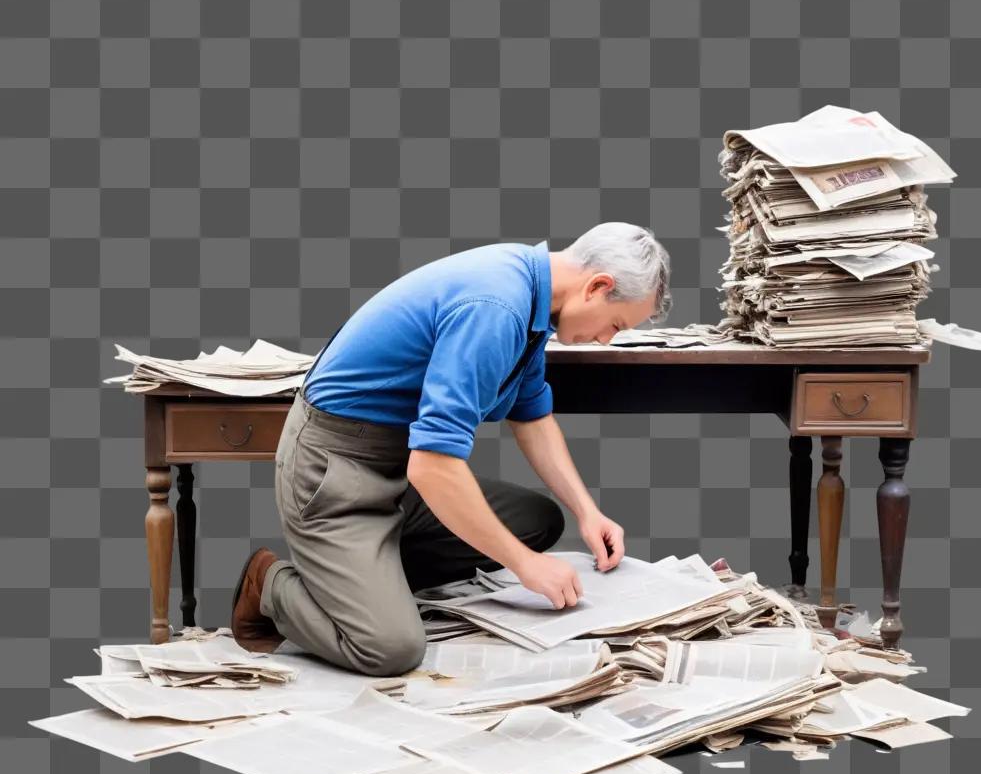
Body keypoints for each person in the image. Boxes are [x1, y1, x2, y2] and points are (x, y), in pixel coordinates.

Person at [230, 221, 672, 675]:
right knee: (390, 650)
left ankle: (367, 582)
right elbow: (434, 467)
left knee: (538, 521)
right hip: (334, 474)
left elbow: (532, 415)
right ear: (598, 286)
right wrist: (524, 566)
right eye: (615, 324)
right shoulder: (496, 305)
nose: (606, 340)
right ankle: (272, 584)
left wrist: (587, 512)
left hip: (394, 471)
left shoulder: (533, 294)